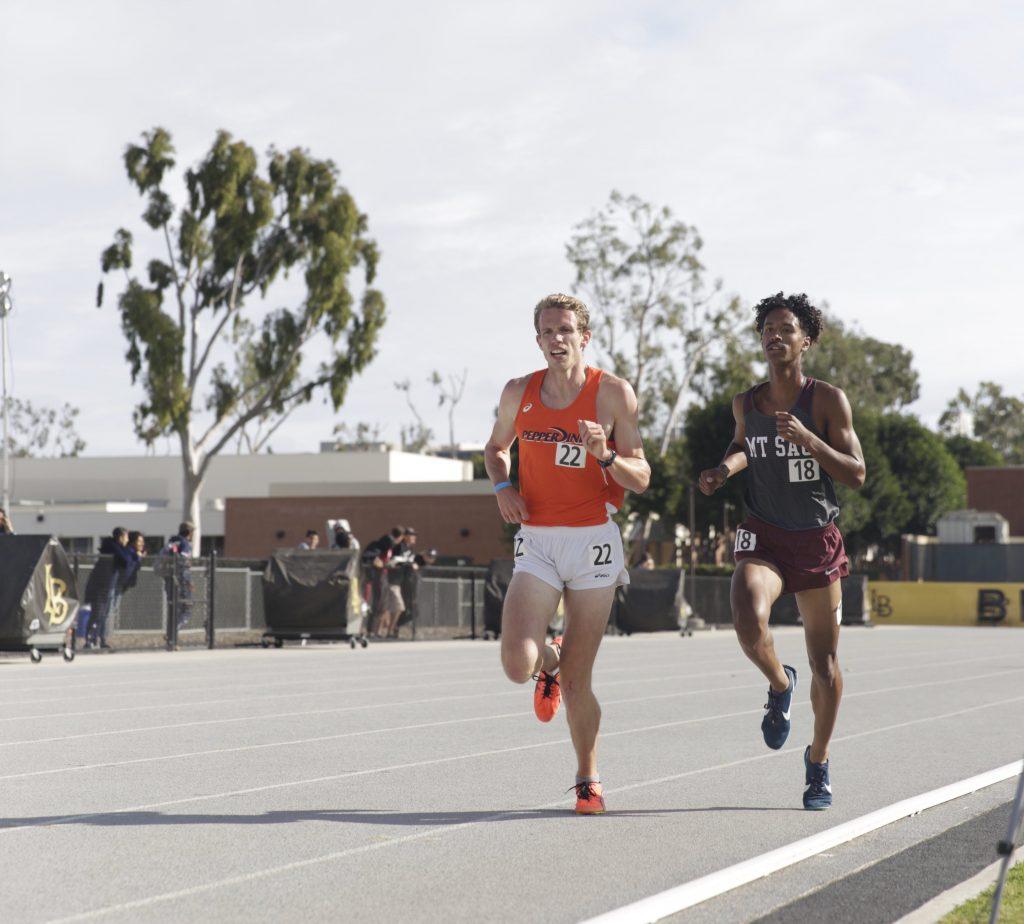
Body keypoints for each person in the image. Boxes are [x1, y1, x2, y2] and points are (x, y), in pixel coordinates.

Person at [698, 292, 866, 811]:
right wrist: (723, 470)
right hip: (764, 533)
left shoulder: (826, 400)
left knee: (827, 663)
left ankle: (818, 761)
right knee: (748, 619)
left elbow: (856, 473)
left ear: (806, 340)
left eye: (786, 329)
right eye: (768, 329)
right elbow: (745, 445)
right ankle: (778, 683)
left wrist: (809, 440)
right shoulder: (745, 403)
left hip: (815, 539)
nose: (775, 336)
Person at [484, 292, 650, 814]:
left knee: (580, 680)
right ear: (538, 339)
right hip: (537, 540)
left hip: (593, 543)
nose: (557, 339)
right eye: (548, 332)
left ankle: (588, 777)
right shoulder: (518, 392)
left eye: (566, 330)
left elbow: (641, 477)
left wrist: (605, 456)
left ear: (585, 337)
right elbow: (494, 449)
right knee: (517, 664)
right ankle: (546, 663)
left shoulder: (614, 395)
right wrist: (502, 487)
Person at [94, 527, 132, 650]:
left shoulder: (116, 547)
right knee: (103, 612)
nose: (127, 540)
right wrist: (126, 550)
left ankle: (100, 638)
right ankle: (97, 639)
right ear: (121, 537)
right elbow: (126, 560)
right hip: (106, 583)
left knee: (106, 612)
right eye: (126, 537)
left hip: (111, 583)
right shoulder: (113, 547)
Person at [160, 522, 195, 636]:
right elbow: (182, 562)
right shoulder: (185, 544)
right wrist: (189, 581)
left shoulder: (172, 542)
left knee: (173, 608)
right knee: (187, 608)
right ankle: (172, 633)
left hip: (169, 578)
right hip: (181, 581)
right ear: (190, 533)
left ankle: (171, 638)